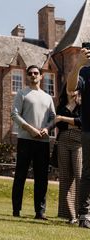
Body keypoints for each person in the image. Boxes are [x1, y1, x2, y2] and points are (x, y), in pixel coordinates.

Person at [11, 65, 56, 220]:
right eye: (30, 73)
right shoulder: (22, 94)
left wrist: (47, 128)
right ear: (27, 76)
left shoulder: (48, 97)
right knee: (20, 176)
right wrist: (29, 129)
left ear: (41, 76)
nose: (33, 75)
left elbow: (53, 118)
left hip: (42, 142)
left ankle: (40, 212)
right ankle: (16, 210)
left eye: (36, 73)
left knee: (42, 178)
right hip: (25, 140)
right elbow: (15, 115)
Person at [67, 45, 90, 228]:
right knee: (88, 173)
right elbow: (71, 87)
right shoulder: (85, 72)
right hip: (89, 130)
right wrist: (78, 65)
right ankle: (84, 215)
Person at [53, 84, 82, 224]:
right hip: (63, 141)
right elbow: (59, 126)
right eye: (69, 88)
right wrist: (72, 123)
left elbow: (82, 123)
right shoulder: (61, 106)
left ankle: (84, 213)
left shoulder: (84, 105)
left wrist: (63, 119)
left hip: (79, 142)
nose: (72, 91)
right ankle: (71, 216)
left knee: (80, 176)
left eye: (75, 88)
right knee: (65, 178)